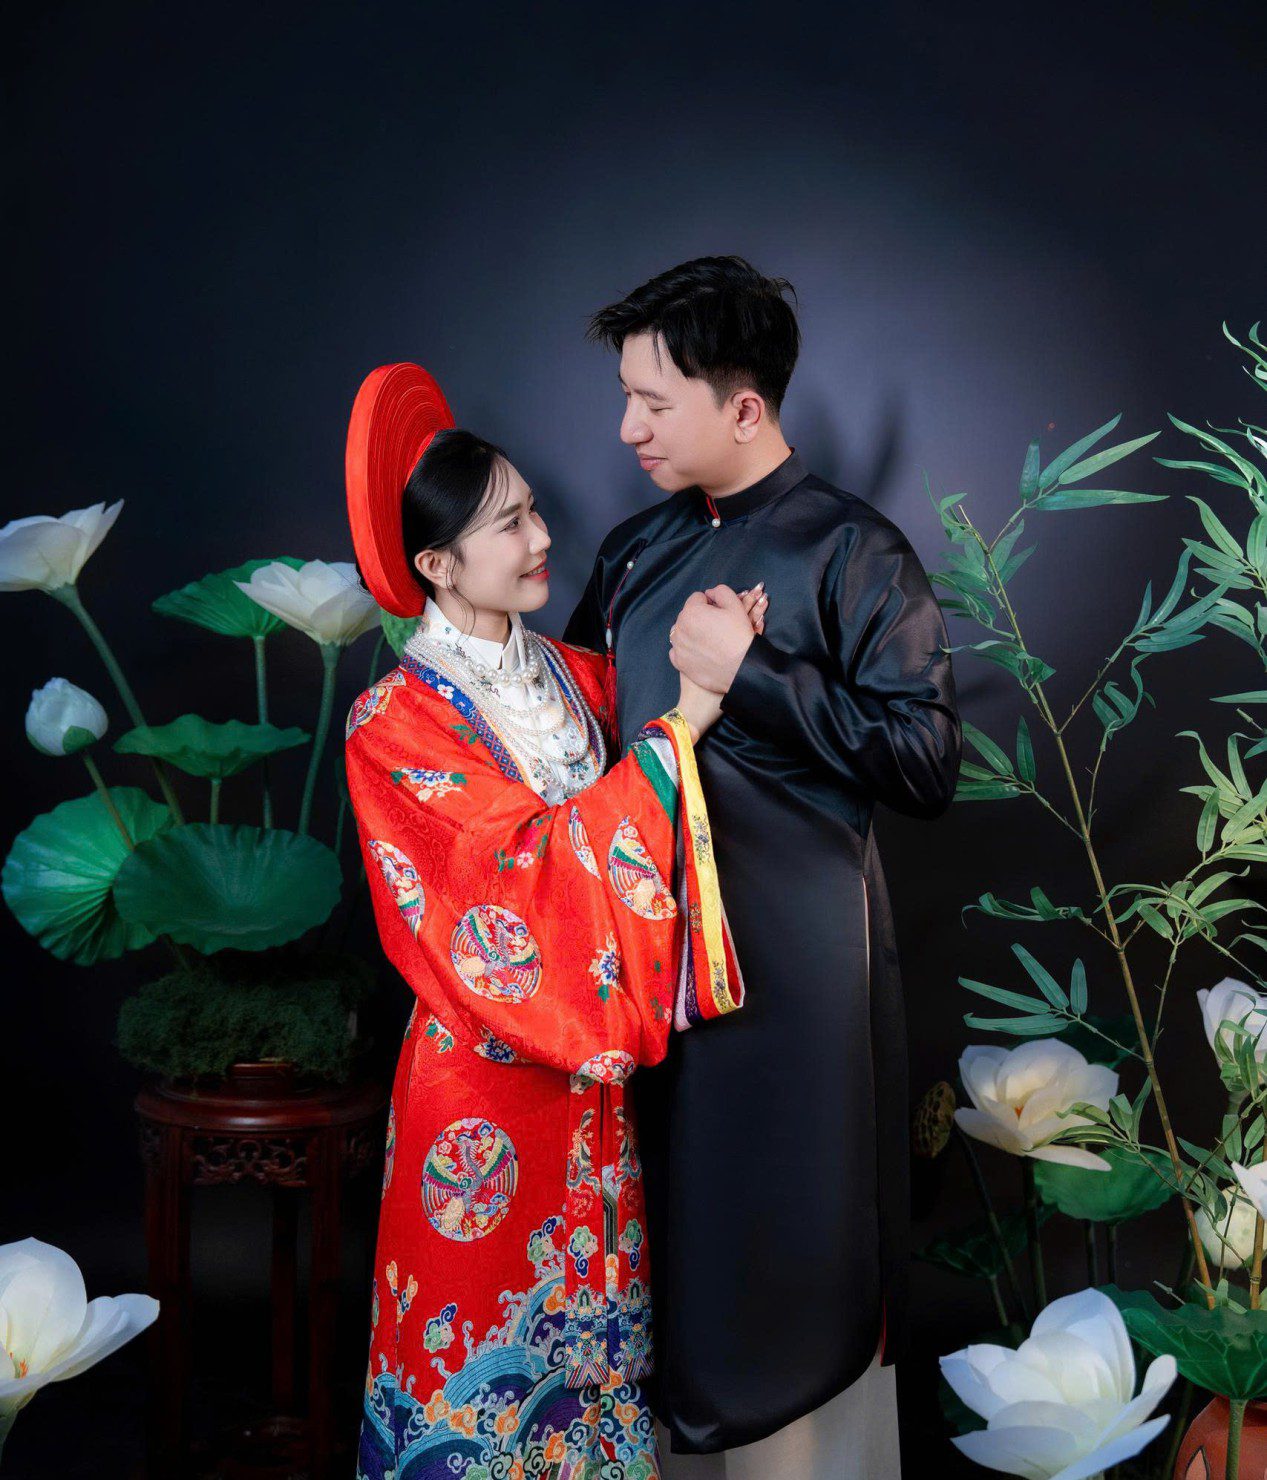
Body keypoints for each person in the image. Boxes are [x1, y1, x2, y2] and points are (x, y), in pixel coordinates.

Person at [565, 257, 963, 1477]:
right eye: (625, 398)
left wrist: (756, 677)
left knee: (794, 1243)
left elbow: (925, 762)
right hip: (648, 968)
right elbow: (576, 736)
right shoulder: (632, 552)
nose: (627, 428)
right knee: (671, 1233)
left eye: (653, 401)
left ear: (744, 407)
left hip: (798, 977)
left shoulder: (854, 549)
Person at [342, 362, 763, 1480]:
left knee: (594, 1362)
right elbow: (511, 876)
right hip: (478, 1098)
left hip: (589, 1093)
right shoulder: (394, 724)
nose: (540, 538)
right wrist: (681, 727)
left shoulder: (578, 676)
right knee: (476, 1366)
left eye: (532, 509)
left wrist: (716, 661)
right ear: (436, 565)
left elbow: (625, 831)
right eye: (508, 524)